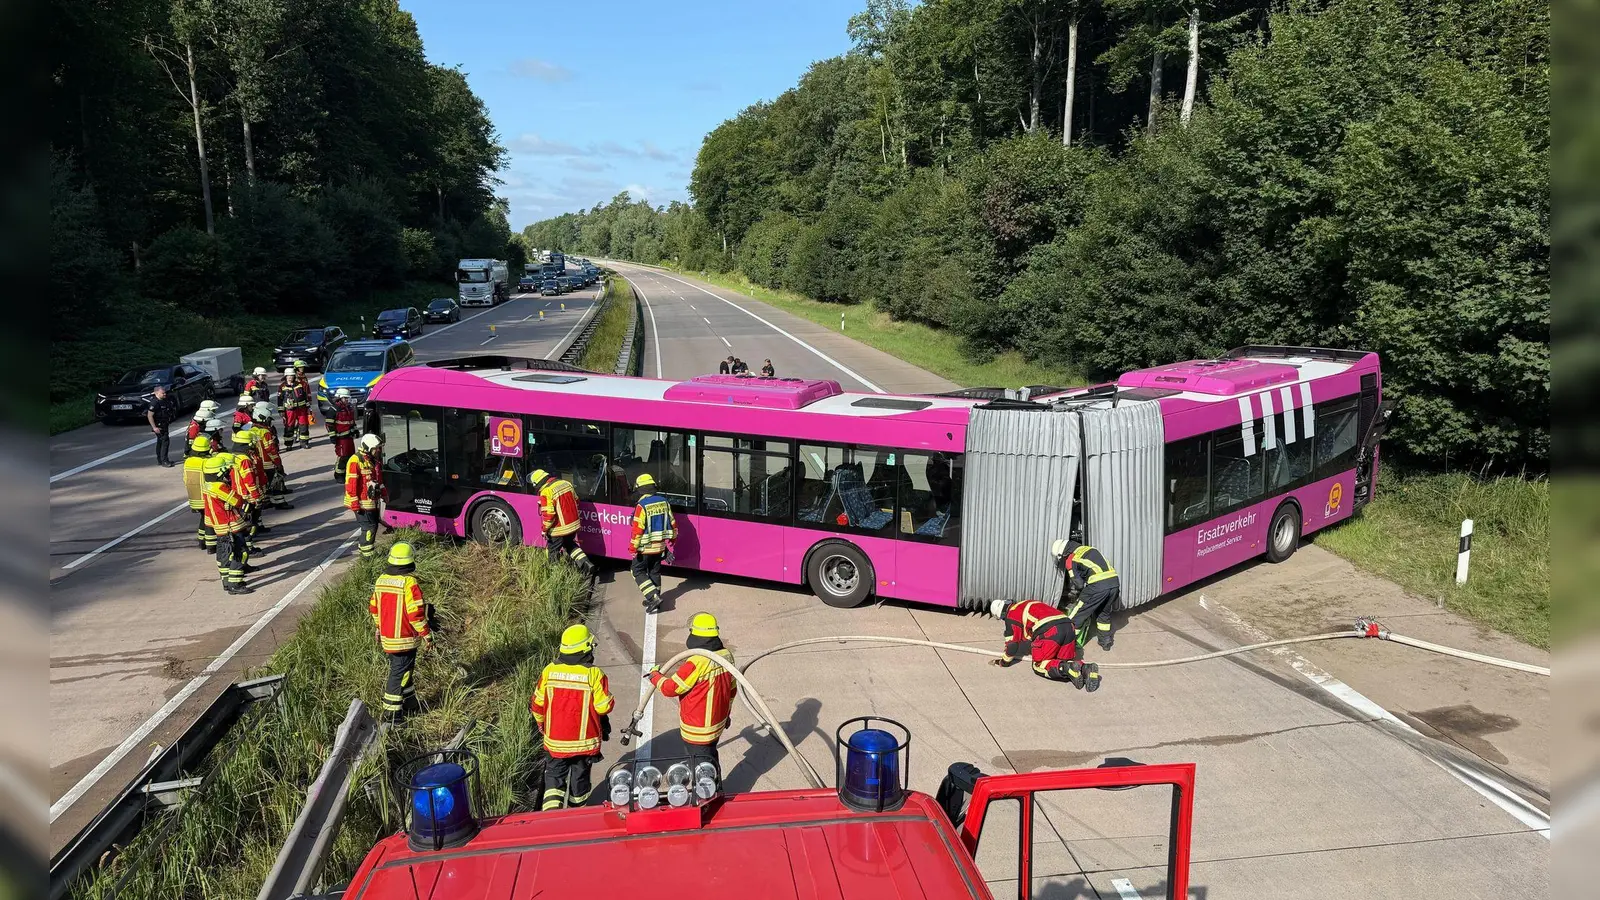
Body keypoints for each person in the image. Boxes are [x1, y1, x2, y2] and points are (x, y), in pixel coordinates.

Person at [530, 624, 614, 810]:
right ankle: (577, 815)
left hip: (555, 742)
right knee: (580, 781)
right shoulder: (594, 674)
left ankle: (551, 818)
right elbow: (603, 707)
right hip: (583, 744)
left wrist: (542, 725)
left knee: (553, 779)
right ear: (586, 648)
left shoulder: (549, 671)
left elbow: (537, 704)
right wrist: (610, 697)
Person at [646, 612, 736, 776]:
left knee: (703, 769)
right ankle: (714, 789)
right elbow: (732, 689)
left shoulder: (696, 662)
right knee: (710, 759)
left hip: (698, 729)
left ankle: (709, 796)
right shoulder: (726, 656)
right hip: (718, 723)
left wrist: (655, 676)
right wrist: (727, 714)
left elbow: (670, 688)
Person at [369, 541, 431, 716]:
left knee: (405, 671)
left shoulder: (381, 581)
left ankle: (410, 703)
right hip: (405, 639)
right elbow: (415, 615)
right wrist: (426, 634)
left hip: (388, 639)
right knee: (399, 674)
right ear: (410, 561)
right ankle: (391, 714)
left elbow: (374, 608)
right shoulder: (409, 583)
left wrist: (378, 627)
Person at [988, 597, 1098, 691]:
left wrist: (1004, 662)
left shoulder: (1011, 616)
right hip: (1068, 626)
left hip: (1050, 631)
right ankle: (1086, 668)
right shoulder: (1025, 603)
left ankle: (1067, 668)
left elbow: (1012, 646)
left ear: (1001, 615)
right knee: (1060, 660)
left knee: (1040, 665)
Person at [1052, 538, 1120, 652]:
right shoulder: (1089, 549)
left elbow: (1079, 584)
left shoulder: (1071, 558)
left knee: (1077, 615)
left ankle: (1068, 644)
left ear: (1063, 553)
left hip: (1097, 586)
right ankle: (1106, 642)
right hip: (1114, 583)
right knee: (1103, 612)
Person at [202, 450, 251, 594]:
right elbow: (237, 500)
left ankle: (226, 582)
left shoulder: (207, 485)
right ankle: (235, 584)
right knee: (240, 552)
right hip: (231, 526)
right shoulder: (220, 487)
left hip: (220, 528)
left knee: (223, 554)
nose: (227, 474)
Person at [628, 473, 676, 613]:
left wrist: (633, 548)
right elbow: (672, 522)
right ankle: (656, 600)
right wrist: (672, 540)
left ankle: (652, 596)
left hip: (645, 547)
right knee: (655, 572)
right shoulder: (664, 501)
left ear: (640, 490)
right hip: (660, 546)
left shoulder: (641, 506)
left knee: (636, 570)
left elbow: (637, 529)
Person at [531, 468, 591, 574]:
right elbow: (576, 500)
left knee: (552, 551)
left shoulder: (546, 491)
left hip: (559, 529)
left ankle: (556, 574)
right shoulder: (566, 483)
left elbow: (549, 515)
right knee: (569, 545)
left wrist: (544, 530)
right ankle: (587, 565)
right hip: (574, 525)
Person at [345, 433, 384, 559]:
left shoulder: (372, 460)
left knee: (373, 526)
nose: (378, 450)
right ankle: (368, 557)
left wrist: (384, 493)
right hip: (362, 503)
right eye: (376, 448)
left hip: (371, 501)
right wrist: (355, 504)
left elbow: (378, 479)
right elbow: (351, 485)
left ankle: (366, 552)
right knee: (369, 528)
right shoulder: (355, 460)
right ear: (368, 448)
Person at [252, 403, 293, 509]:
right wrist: (278, 463)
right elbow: (271, 450)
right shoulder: (265, 432)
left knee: (263, 484)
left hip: (258, 463)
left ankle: (267, 501)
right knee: (276, 482)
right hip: (269, 463)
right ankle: (280, 503)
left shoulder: (252, 430)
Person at [183, 434, 215, 552]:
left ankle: (201, 541)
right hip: (205, 496)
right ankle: (211, 545)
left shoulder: (188, 461)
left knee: (203, 518)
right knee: (209, 520)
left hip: (194, 498)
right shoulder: (206, 462)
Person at [277, 368, 311, 451]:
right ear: (285, 376)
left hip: (301, 409)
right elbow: (280, 400)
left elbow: (306, 397)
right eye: (288, 376)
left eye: (292, 376)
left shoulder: (300, 384)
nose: (290, 377)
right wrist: (281, 411)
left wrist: (308, 408)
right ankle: (289, 445)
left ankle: (304, 443)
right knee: (289, 427)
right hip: (289, 410)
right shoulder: (282, 387)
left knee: (304, 425)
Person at [328, 388, 357, 483]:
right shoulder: (333, 410)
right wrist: (332, 436)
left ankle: (346, 473)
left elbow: (352, 422)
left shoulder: (349, 408)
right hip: (340, 438)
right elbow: (329, 424)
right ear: (340, 398)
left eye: (348, 398)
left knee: (350, 456)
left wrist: (355, 431)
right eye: (345, 398)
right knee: (342, 456)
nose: (347, 400)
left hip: (349, 437)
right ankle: (338, 475)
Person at [147, 385, 177, 467]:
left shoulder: (164, 400)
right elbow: (150, 415)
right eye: (162, 393)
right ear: (157, 393)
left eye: (165, 393)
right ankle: (164, 461)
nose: (164, 394)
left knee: (160, 442)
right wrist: (154, 427)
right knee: (165, 442)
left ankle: (160, 460)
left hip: (164, 424)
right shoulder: (154, 403)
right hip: (159, 426)